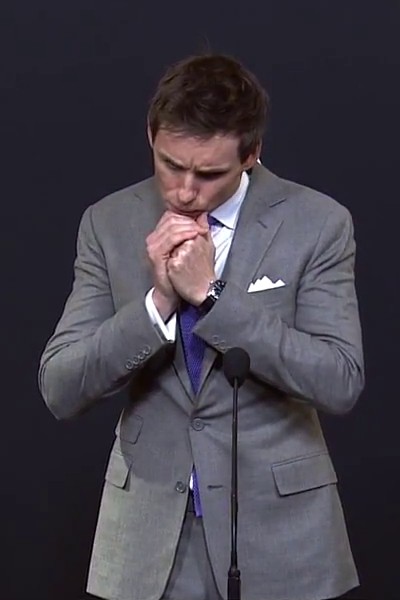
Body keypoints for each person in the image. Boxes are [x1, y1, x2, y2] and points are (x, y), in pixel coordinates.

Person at [38, 53, 364, 600]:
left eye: (209, 174)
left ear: (252, 154)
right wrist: (159, 302)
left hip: (282, 539)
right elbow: (61, 386)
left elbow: (339, 379)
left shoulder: (318, 223)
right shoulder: (107, 222)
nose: (185, 191)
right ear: (151, 135)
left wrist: (212, 298)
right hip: (146, 544)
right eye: (170, 164)